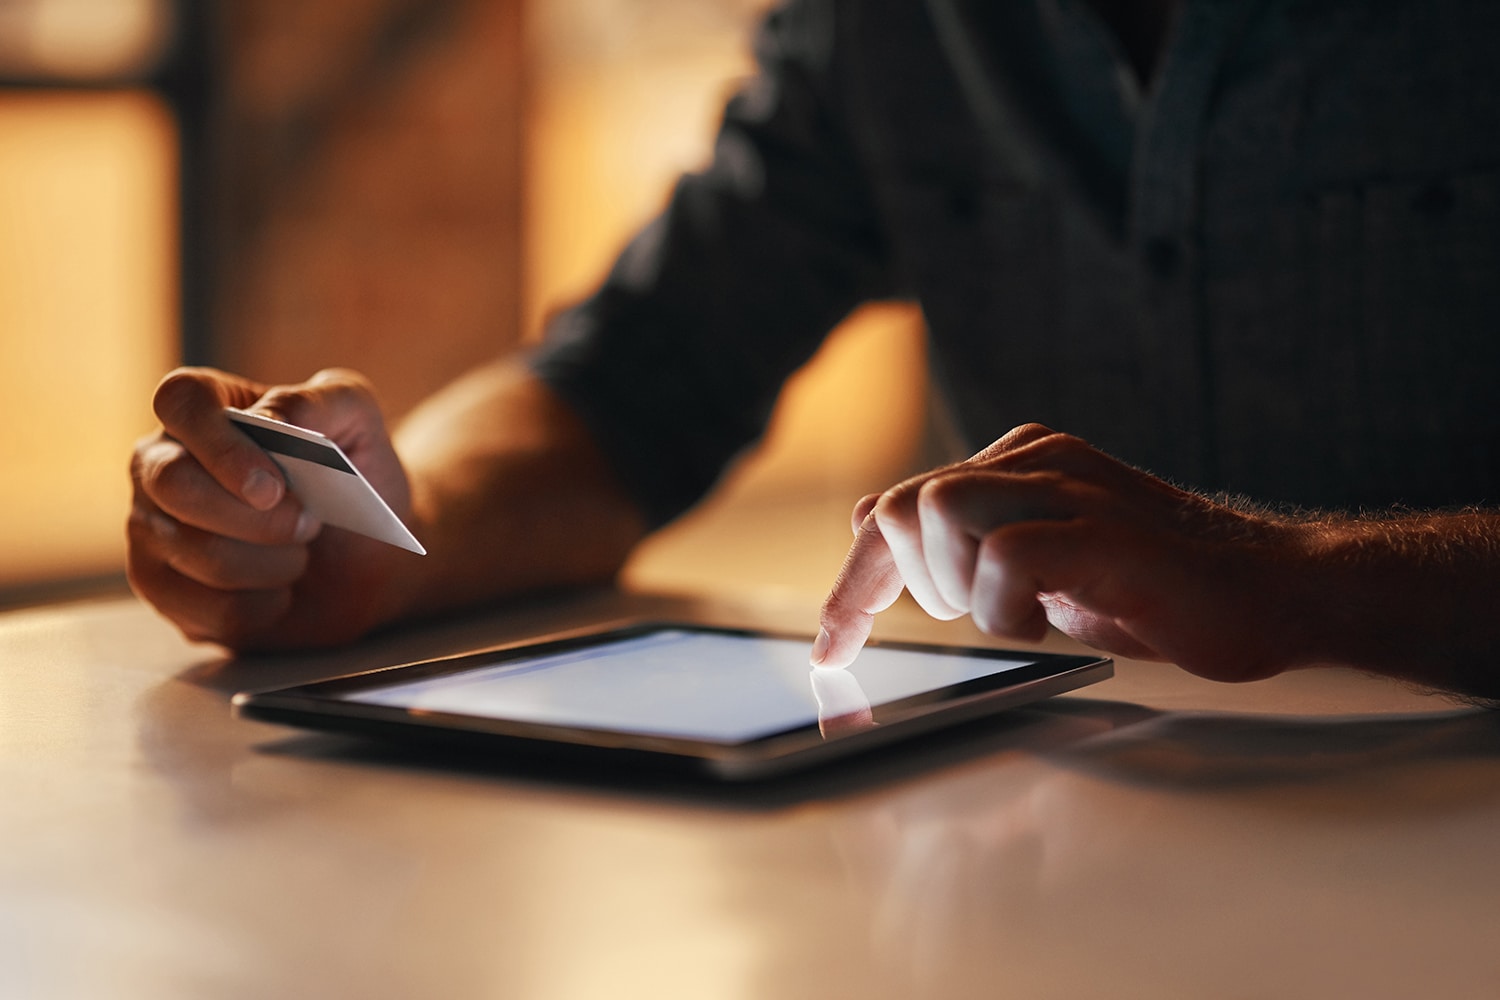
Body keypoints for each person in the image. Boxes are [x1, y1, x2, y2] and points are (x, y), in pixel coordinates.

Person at [129, 0, 1500, 701]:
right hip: (1076, 858)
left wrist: (1302, 580)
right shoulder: (892, 24)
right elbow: (634, 377)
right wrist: (389, 523)